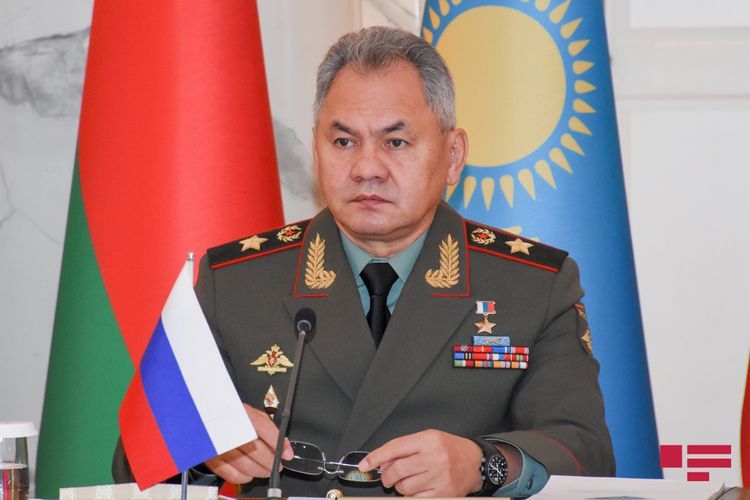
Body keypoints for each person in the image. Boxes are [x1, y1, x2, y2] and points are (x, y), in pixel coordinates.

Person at [113, 26, 614, 497]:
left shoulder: (532, 286)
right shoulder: (237, 283)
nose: (367, 168)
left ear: (453, 155)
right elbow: (134, 465)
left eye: (396, 142)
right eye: (344, 141)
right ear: (317, 150)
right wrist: (206, 447)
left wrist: (483, 465)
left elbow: (585, 454)